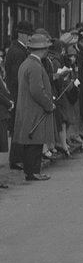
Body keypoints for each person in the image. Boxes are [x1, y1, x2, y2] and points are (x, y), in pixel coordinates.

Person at [12, 32, 56, 181]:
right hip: (35, 109)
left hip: (26, 108)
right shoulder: (35, 66)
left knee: (31, 142)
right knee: (35, 142)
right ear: (43, 49)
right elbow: (37, 90)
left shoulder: (26, 63)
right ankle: (33, 172)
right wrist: (49, 105)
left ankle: (30, 172)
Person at [5, 20, 33, 170]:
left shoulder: (19, 50)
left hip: (18, 93)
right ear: (21, 34)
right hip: (17, 94)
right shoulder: (17, 52)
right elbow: (18, 76)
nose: (30, 38)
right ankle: (16, 159)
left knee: (20, 125)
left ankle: (19, 157)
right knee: (18, 126)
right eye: (28, 34)